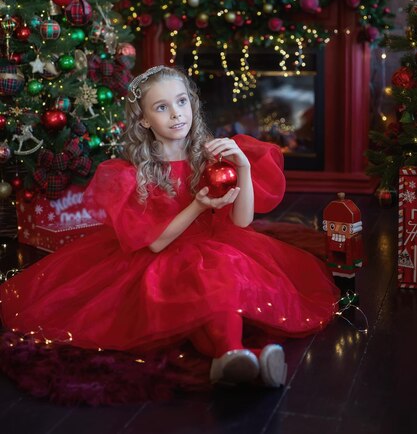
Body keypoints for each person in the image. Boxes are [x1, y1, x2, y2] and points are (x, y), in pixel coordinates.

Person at [0, 65, 339, 390]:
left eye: (181, 102)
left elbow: (242, 222)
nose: (176, 113)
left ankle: (230, 355)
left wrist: (244, 167)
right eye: (161, 107)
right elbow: (157, 244)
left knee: (218, 280)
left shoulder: (211, 157)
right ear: (145, 119)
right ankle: (235, 356)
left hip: (212, 247)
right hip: (155, 256)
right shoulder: (130, 173)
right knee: (203, 287)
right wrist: (199, 205)